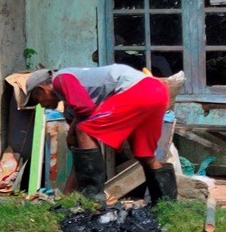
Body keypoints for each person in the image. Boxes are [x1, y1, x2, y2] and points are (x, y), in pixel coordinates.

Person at [24, 64, 177, 205]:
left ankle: (93, 200)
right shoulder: (70, 105)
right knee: (145, 155)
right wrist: (66, 196)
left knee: (83, 130)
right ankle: (166, 206)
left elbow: (86, 111)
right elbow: (82, 154)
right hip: (157, 91)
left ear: (41, 90)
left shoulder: (60, 79)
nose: (42, 106)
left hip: (137, 90)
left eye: (38, 100)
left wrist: (71, 132)